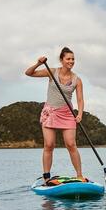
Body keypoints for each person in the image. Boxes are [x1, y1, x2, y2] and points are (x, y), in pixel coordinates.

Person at [25, 47, 86, 183]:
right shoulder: (52, 72)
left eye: (73, 59)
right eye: (68, 59)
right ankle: (46, 177)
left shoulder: (77, 80)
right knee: (49, 144)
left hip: (67, 113)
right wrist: (38, 63)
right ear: (62, 60)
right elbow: (29, 73)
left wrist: (80, 114)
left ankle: (79, 175)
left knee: (71, 144)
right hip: (50, 113)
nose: (71, 61)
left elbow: (80, 100)